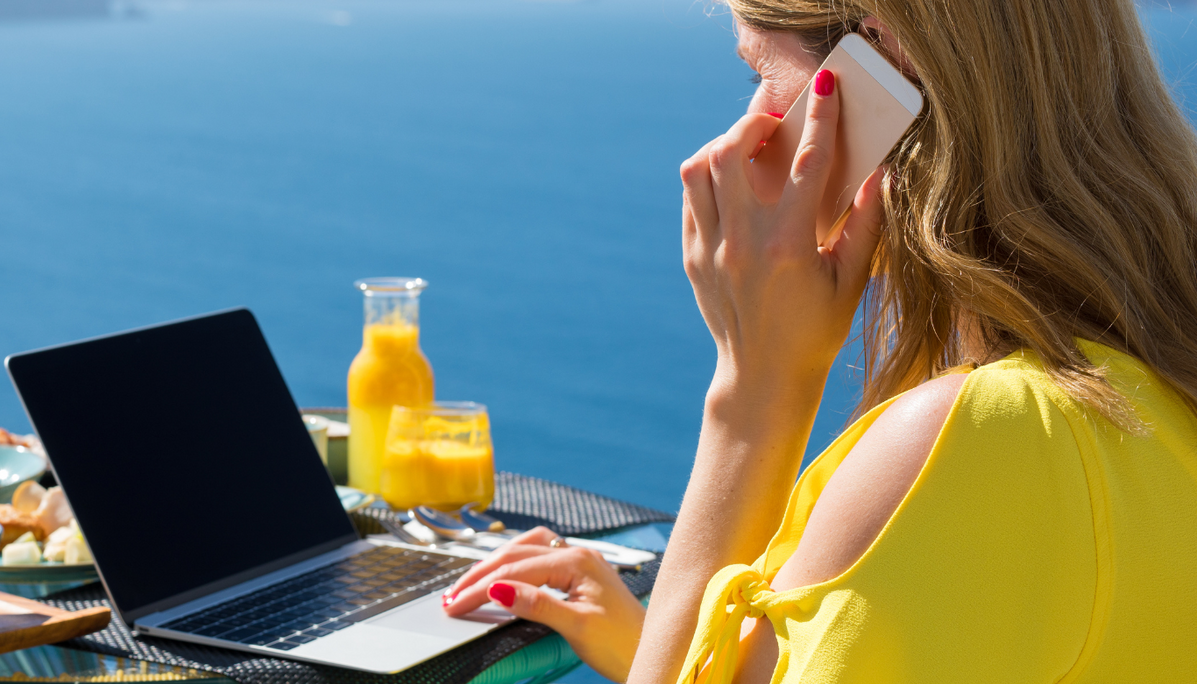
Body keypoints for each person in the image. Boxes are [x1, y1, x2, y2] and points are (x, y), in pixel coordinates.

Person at [443, 0, 1197, 681]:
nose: (742, 139)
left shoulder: (982, 445)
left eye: (759, 76)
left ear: (879, 71)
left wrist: (757, 392)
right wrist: (677, 643)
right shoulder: (1148, 395)